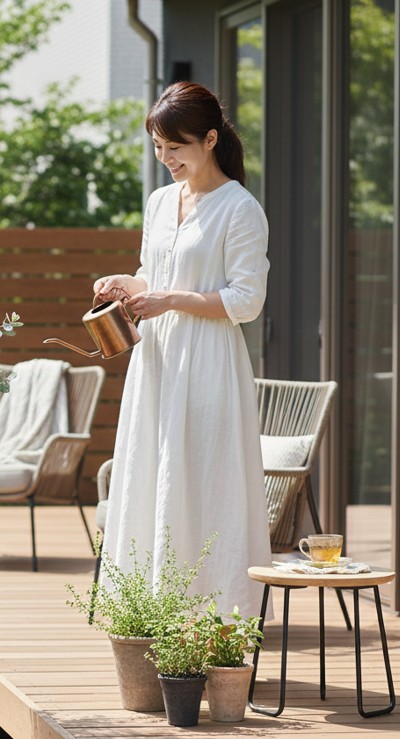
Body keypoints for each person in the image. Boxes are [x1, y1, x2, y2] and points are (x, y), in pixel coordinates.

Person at [94, 81, 272, 618]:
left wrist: (169, 299)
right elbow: (155, 275)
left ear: (211, 139)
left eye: (176, 146)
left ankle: (215, 621)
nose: (164, 158)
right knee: (153, 476)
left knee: (204, 482)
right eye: (157, 146)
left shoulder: (240, 209)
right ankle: (150, 619)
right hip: (159, 362)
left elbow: (247, 300)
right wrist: (125, 283)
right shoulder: (159, 201)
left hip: (209, 362)